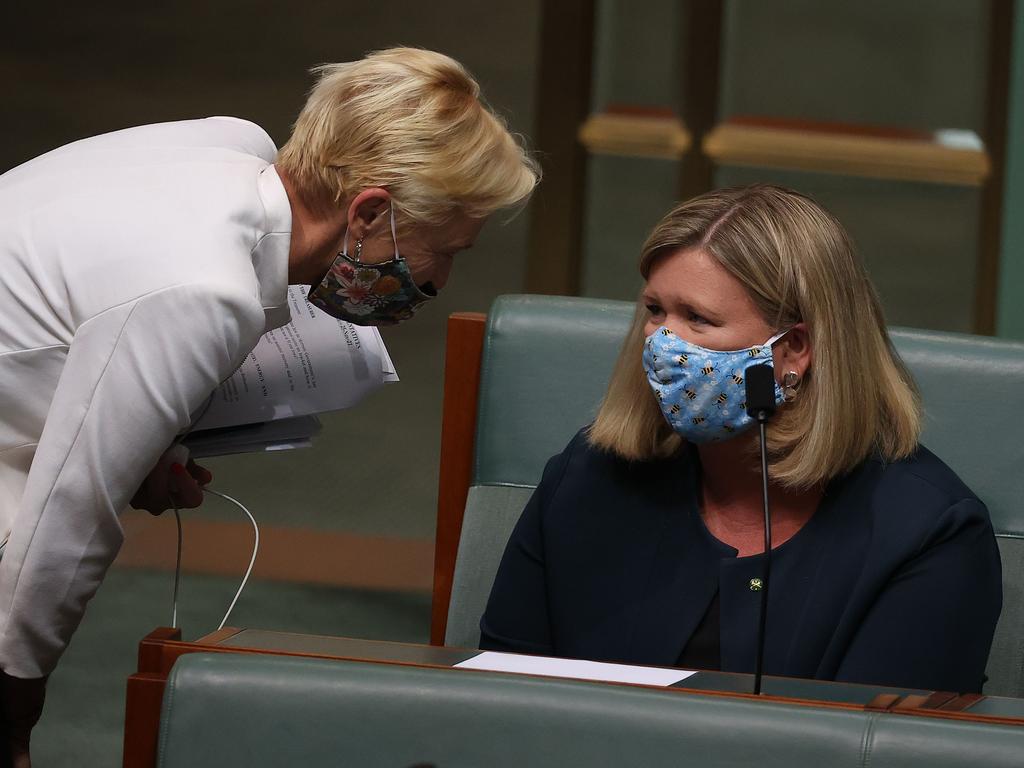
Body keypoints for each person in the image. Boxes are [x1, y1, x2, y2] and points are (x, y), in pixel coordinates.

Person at [0, 47, 538, 765]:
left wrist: (144, 444)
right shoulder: (206, 288)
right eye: (445, 250)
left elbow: (85, 299)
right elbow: (70, 520)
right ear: (370, 209)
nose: (438, 280)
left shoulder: (231, 145)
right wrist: (14, 705)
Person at [480, 185, 1001, 693]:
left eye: (697, 318)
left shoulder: (930, 533)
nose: (661, 343)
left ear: (795, 349)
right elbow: (505, 693)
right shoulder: (588, 474)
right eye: (656, 311)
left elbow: (880, 749)